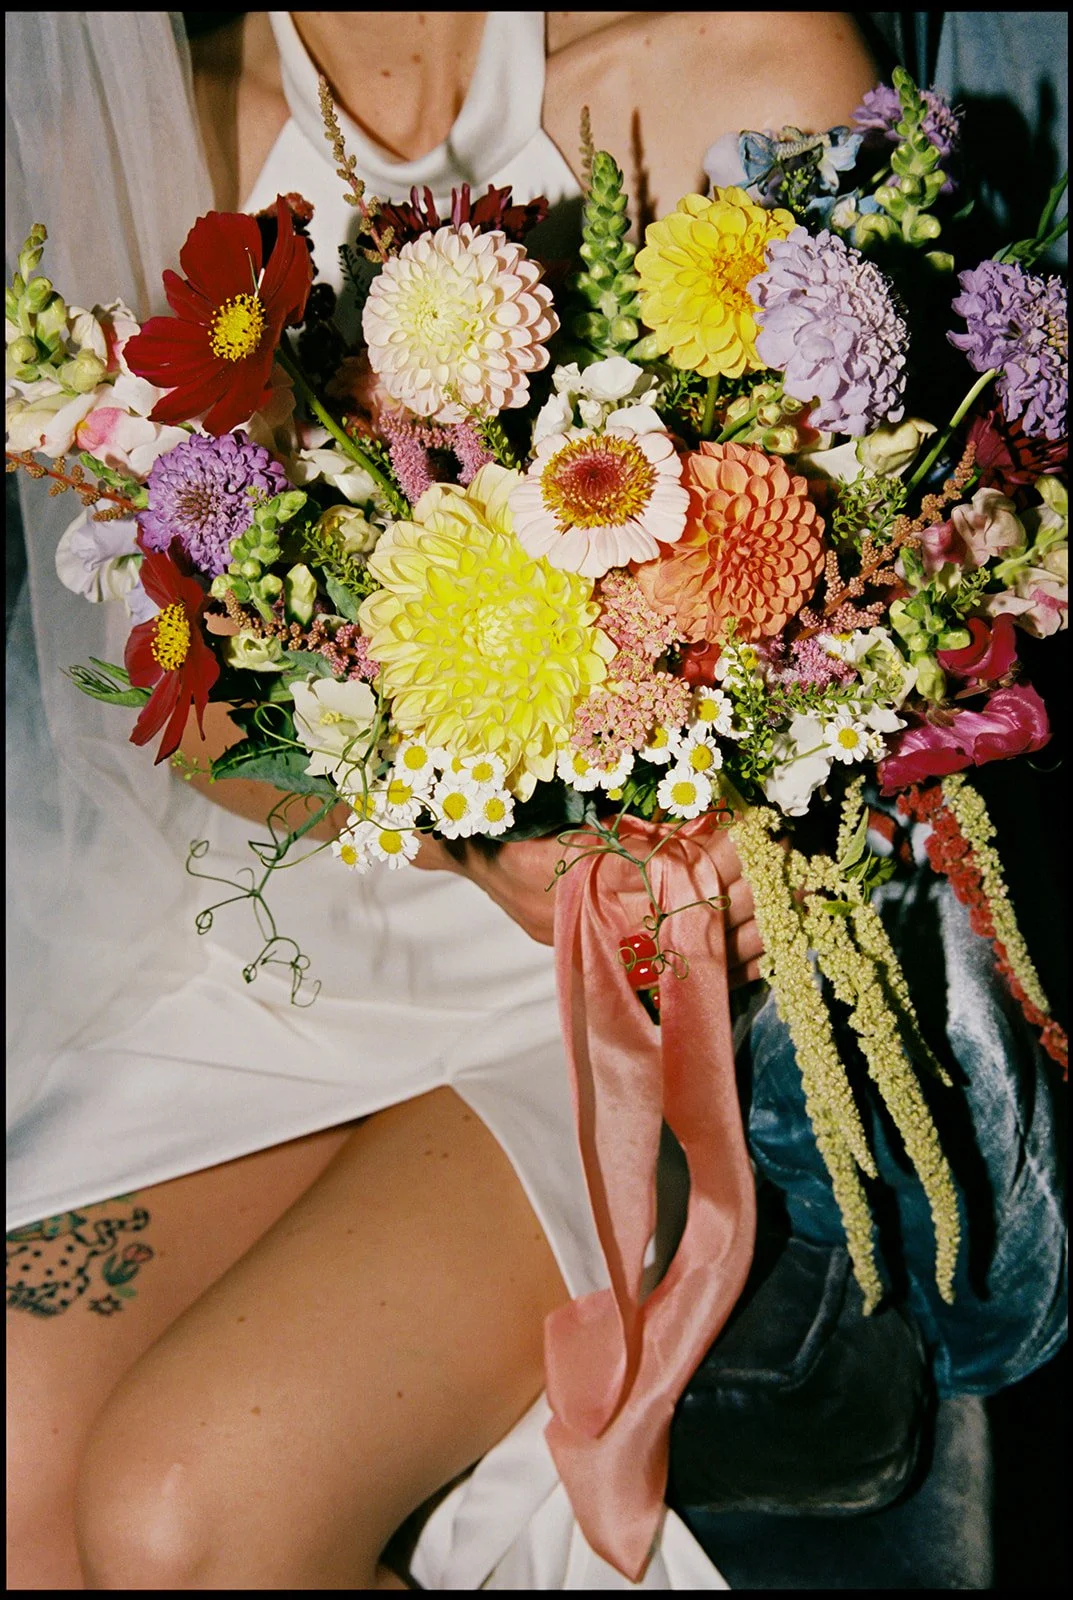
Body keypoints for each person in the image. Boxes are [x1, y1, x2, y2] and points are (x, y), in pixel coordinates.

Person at [6, 10, 1045, 1592]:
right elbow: (191, 707)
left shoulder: (749, 68)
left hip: (601, 991)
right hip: (289, 945)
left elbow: (936, 620)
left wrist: (723, 843)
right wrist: (458, 833)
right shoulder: (155, 118)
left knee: (182, 1510)